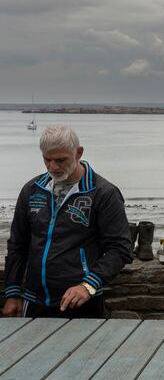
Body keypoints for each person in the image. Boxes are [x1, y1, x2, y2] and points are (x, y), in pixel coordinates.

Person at [3, 125, 132, 318]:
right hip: (34, 300)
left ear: (78, 153)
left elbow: (120, 249)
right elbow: (17, 244)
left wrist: (88, 285)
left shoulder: (104, 193)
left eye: (61, 160)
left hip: (82, 302)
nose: (53, 167)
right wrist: (12, 292)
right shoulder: (32, 190)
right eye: (47, 159)